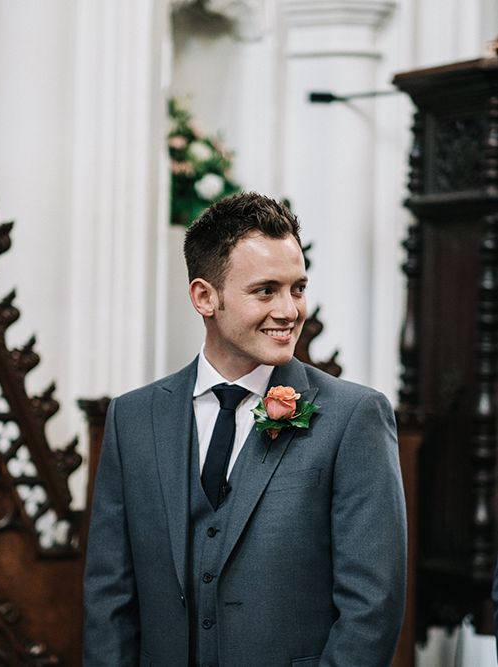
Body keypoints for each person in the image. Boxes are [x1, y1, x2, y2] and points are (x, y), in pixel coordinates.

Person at [83, 192, 407, 666]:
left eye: (297, 288)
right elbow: (108, 598)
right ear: (204, 297)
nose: (290, 310)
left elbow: (372, 607)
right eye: (265, 290)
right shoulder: (132, 419)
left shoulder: (354, 417)